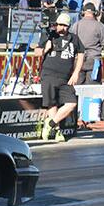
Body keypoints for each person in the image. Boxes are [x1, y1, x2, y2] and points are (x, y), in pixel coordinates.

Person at [39, 12, 84, 142]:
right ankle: (57, 131)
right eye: (59, 25)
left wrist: (76, 73)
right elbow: (37, 52)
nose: (61, 28)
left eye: (64, 25)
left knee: (71, 103)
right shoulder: (50, 35)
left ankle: (50, 124)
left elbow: (81, 54)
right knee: (52, 104)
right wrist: (45, 49)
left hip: (66, 77)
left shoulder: (74, 38)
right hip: (49, 74)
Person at [71, 3, 104, 84]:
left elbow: (71, 42)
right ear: (95, 13)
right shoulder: (99, 25)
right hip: (94, 60)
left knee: (77, 90)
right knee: (93, 91)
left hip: (78, 60)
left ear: (83, 12)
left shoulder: (76, 25)